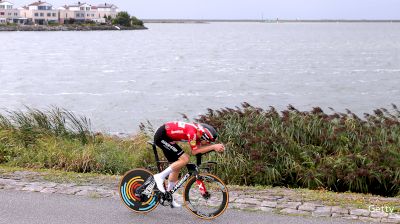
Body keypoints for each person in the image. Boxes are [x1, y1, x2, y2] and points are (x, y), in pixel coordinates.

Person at [153, 121, 225, 208]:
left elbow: (199, 149)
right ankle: (159, 177)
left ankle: (168, 197)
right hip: (162, 136)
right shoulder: (193, 133)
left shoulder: (198, 134)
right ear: (204, 137)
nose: (209, 144)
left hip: (168, 138)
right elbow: (194, 152)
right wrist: (213, 147)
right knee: (185, 159)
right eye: (208, 142)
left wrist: (213, 148)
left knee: (177, 166)